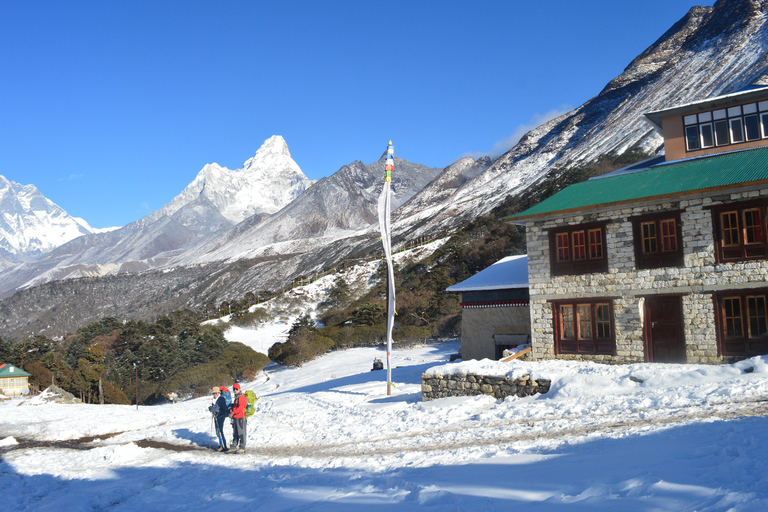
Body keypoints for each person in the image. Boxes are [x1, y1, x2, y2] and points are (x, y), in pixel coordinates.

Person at [208, 387, 228, 452]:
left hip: (221, 416)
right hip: (216, 416)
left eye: (215, 393)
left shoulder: (221, 399)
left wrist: (216, 410)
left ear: (218, 393)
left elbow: (224, 409)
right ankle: (221, 444)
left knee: (220, 430)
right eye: (213, 393)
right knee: (217, 430)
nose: (214, 394)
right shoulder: (215, 399)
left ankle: (224, 445)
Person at [228, 383, 247, 454]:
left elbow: (241, 407)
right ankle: (234, 446)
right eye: (234, 389)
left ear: (239, 389)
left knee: (241, 433)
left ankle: (242, 447)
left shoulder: (241, 397)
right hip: (236, 417)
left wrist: (232, 412)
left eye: (236, 389)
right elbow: (236, 407)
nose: (235, 390)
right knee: (235, 433)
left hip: (241, 417)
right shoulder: (236, 397)